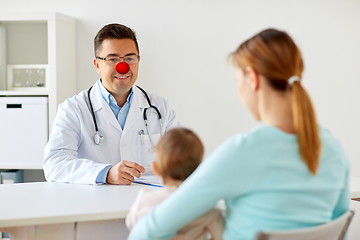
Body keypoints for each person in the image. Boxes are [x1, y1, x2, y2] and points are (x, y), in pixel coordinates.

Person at [128, 28, 350, 240]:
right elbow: (341, 230)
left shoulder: (244, 152)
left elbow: (151, 228)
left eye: (237, 79)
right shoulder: (333, 149)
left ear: (252, 78)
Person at [43, 23, 179, 185]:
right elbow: (55, 164)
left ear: (138, 60)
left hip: (146, 200)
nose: (123, 67)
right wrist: (105, 173)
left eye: (129, 58)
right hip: (96, 205)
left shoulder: (160, 108)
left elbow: (180, 159)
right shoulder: (73, 109)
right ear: (97, 65)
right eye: (112, 59)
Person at [126, 127, 224, 239]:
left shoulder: (145, 201)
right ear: (200, 169)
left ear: (155, 169)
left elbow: (131, 224)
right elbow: (221, 236)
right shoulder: (208, 207)